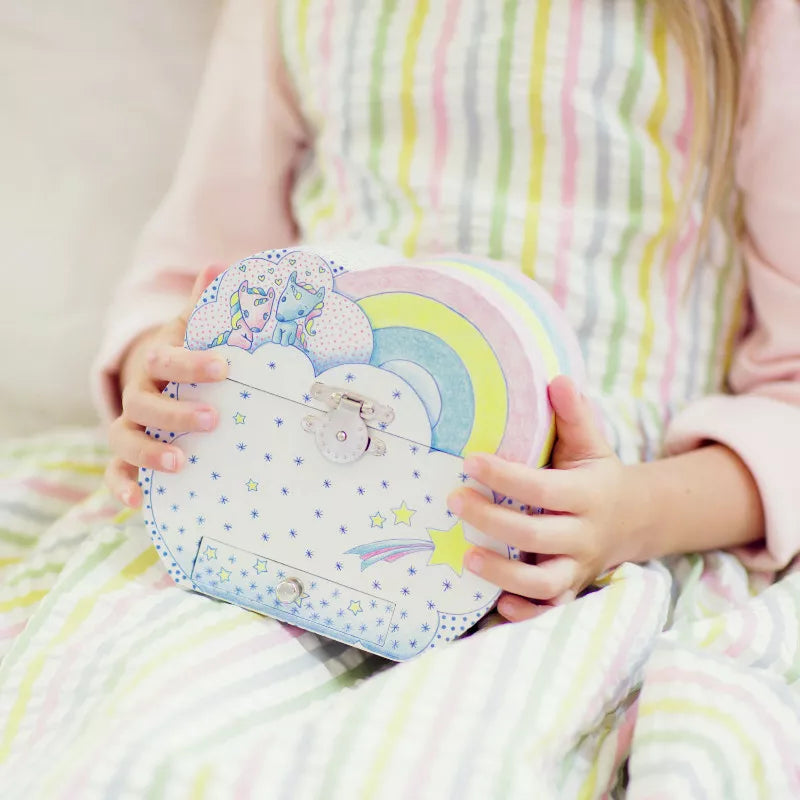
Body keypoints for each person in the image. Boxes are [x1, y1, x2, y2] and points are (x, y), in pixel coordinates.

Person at [94, 0, 800, 623]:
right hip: (263, 510)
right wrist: (159, 377)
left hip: (582, 567)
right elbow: (193, 280)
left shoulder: (756, 20)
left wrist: (630, 517)